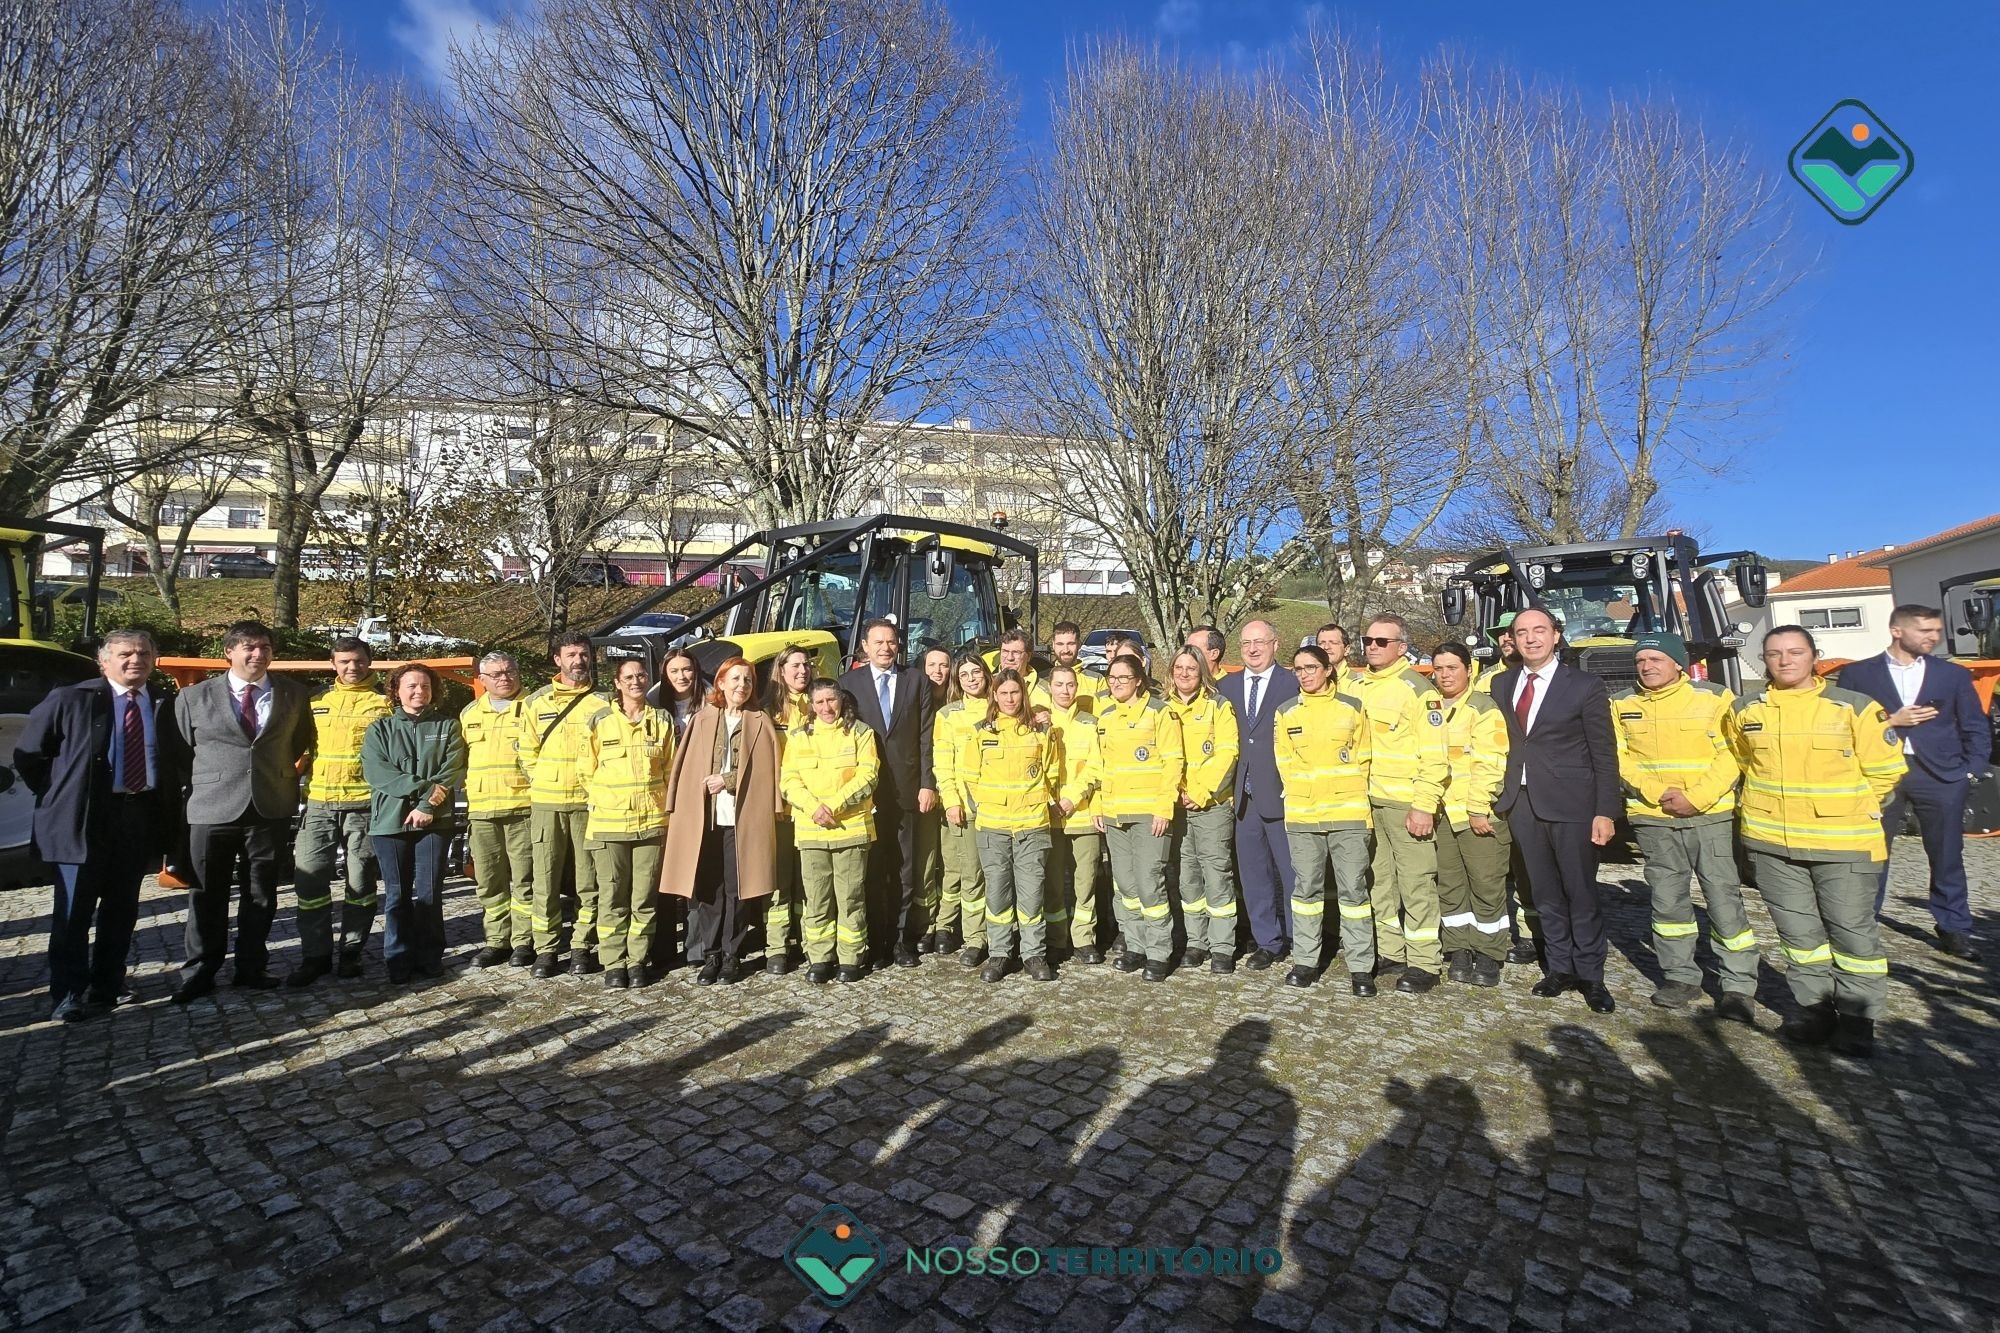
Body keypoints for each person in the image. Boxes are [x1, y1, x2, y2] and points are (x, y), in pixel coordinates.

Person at [1726, 627, 1905, 1057]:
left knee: (1852, 934)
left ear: (1814, 656)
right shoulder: (1745, 709)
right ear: (1763, 660)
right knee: (1798, 935)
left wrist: (1848, 810)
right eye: (1774, 654)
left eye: (1795, 652)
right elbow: (1741, 760)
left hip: (1843, 843)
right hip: (1771, 842)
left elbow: (1885, 772)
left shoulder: (1854, 707)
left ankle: (1858, 1020)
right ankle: (1815, 1010)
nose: (1785, 660)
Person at [14, 629, 183, 1021]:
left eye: (143, 653)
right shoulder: (71, 699)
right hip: (83, 817)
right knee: (74, 911)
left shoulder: (164, 703)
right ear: (103, 661)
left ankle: (108, 985)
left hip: (137, 816)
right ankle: (68, 993)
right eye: (125, 654)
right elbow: (29, 755)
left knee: (121, 910)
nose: (135, 660)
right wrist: (61, 793)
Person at [1610, 632, 1756, 1018]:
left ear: (1678, 663)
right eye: (1641, 660)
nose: (1647, 667)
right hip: (1654, 818)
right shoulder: (1622, 703)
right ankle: (1680, 977)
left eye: (1656, 659)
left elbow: (1734, 753)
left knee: (1723, 900)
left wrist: (1697, 797)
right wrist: (1657, 792)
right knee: (1667, 900)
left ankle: (1738, 986)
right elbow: (1619, 757)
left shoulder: (1715, 698)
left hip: (1709, 816)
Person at [1838, 604, 1991, 960]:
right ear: (1897, 631)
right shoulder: (1858, 674)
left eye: (1936, 631)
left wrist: (1971, 769)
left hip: (1941, 775)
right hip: (1880, 773)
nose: (1933, 637)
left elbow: (1975, 724)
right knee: (1872, 853)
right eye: (1925, 631)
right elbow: (1841, 726)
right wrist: (1891, 721)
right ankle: (1862, 924)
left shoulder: (1952, 675)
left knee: (1947, 854)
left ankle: (1953, 926)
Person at [171, 620, 313, 1004]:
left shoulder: (294, 694)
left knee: (261, 892)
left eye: (264, 647)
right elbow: (181, 752)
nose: (258, 654)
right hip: (211, 806)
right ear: (229, 652)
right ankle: (199, 971)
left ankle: (251, 966)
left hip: (269, 804)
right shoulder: (193, 697)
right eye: (249, 647)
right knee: (206, 893)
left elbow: (298, 741)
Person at [1490, 608, 1621, 1014]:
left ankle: (1591, 975)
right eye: (1522, 632)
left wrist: (1605, 811)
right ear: (1512, 640)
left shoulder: (1584, 685)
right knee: (1543, 891)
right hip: (1522, 803)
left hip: (1572, 802)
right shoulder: (1501, 684)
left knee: (1580, 891)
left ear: (1556, 635)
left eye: (1539, 631)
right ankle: (1559, 967)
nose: (1531, 639)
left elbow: (1603, 752)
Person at [661, 658, 782, 984]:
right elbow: (685, 768)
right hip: (706, 818)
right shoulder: (702, 719)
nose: (742, 685)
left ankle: (732, 955)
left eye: (748, 680)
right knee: (709, 888)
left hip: (743, 819)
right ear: (722, 683)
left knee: (738, 888)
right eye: (735, 679)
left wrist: (726, 780)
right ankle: (711, 953)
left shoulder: (760, 721)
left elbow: (765, 774)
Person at [1350, 614, 1450, 995]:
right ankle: (1391, 951)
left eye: (1382, 641)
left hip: (1406, 804)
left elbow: (1436, 757)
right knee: (1379, 883)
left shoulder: (1419, 691)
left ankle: (1424, 961)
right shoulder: (1359, 686)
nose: (1372, 647)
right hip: (1368, 803)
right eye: (1368, 640)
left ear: (1402, 647)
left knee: (1416, 883)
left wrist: (1424, 805)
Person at [1271, 645, 1374, 995]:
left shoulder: (1352, 707)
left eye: (1311, 667)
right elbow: (1284, 762)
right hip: (1303, 816)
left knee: (1353, 891)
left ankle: (1361, 967)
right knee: (1306, 891)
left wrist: (1351, 796)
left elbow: (1364, 759)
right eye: (1298, 669)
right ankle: (1305, 961)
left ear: (1328, 670)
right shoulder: (1286, 712)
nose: (1304, 674)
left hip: (1348, 815)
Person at [287, 637, 391, 986]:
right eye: (344, 661)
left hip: (365, 805)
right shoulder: (316, 700)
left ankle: (351, 952)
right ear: (333, 664)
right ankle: (315, 956)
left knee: (360, 883)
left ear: (369, 661)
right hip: (319, 804)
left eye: (358, 660)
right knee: (309, 879)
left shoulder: (385, 701)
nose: (352, 667)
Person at [839, 618, 937, 968]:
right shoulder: (848, 684)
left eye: (891, 642)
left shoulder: (916, 680)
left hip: (907, 789)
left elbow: (926, 737)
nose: (885, 648)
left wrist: (927, 783)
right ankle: (874, 940)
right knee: (870, 868)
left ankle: (900, 940)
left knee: (905, 868)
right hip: (863, 793)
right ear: (865, 647)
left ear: (899, 645)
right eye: (878, 642)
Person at [360, 663, 466, 984]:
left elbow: (452, 768)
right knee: (397, 895)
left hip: (435, 822)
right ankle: (398, 958)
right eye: (411, 686)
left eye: (425, 686)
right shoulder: (379, 730)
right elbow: (377, 772)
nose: (419, 691)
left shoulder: (448, 726)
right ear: (396, 690)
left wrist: (426, 806)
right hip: (389, 822)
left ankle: (430, 956)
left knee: (430, 893)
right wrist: (423, 790)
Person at [959, 669, 1059, 982]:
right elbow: (969, 777)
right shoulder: (981, 732)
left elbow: (1051, 772)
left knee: (1031, 894)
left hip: (1032, 825)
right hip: (993, 827)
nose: (1010, 699)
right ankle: (1000, 953)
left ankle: (1033, 954)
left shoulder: (1040, 731)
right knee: (998, 894)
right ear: (994, 696)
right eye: (1003, 693)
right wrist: (986, 807)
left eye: (1015, 692)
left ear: (1023, 695)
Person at [779, 678, 880, 983]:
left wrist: (833, 806)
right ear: (811, 705)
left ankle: (851, 957)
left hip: (850, 829)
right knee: (817, 899)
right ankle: (820, 958)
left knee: (850, 898)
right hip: (811, 831)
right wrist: (814, 808)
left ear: (841, 701)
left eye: (831, 700)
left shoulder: (861, 733)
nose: (826, 707)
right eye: (820, 702)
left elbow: (868, 776)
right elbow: (789, 781)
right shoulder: (799, 737)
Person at [582, 657, 674, 989]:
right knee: (612, 896)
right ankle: (613, 962)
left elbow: (670, 769)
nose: (636, 681)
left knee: (644, 898)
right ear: (617, 683)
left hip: (651, 822)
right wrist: (606, 800)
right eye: (629, 677)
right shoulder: (601, 721)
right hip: (609, 824)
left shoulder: (661, 720)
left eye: (641, 675)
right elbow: (586, 770)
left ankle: (636, 961)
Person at [1094, 653, 1185, 981]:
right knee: (1126, 886)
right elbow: (1099, 767)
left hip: (1149, 814)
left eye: (1123, 677)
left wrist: (1163, 807)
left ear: (1138, 681)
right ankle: (1135, 946)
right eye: (1112, 678)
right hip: (1115, 813)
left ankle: (1159, 952)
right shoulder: (1105, 716)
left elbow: (1173, 762)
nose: (1116, 683)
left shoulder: (1160, 713)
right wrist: (1097, 805)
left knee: (1149, 884)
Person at [522, 632, 606, 978]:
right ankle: (546, 949)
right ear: (557, 659)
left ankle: (582, 945)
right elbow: (526, 751)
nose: (578, 661)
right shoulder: (537, 702)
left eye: (583, 654)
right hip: (547, 803)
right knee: (545, 879)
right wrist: (543, 780)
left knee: (589, 880)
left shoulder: (604, 702)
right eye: (571, 655)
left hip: (588, 804)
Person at [1429, 643, 1511, 989]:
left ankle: (1489, 951)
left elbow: (1490, 762)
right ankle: (1459, 948)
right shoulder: (1430, 706)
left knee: (1486, 884)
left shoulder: (1482, 708)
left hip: (1475, 812)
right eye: (1439, 669)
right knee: (1450, 886)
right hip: (1442, 813)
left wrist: (1479, 809)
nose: (1445, 675)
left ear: (1468, 669)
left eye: (1452, 668)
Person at [1218, 619, 1298, 969]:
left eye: (1260, 642)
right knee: (1254, 875)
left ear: (1275, 645)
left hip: (1282, 793)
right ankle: (1268, 941)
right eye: (1246, 643)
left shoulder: (1293, 683)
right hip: (1243, 797)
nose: (1252, 649)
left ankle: (1300, 939)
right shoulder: (1226, 687)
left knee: (1293, 874)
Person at [459, 651, 537, 968]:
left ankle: (524, 942)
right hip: (482, 811)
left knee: (525, 880)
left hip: (523, 808)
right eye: (496, 674)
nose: (504, 678)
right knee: (489, 881)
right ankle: (496, 941)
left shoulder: (534, 707)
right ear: (482, 679)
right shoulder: (469, 713)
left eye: (510, 671)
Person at [1165, 646, 1240, 973]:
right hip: (1177, 806)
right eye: (1179, 668)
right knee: (1187, 876)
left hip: (1212, 805)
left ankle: (1222, 946)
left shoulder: (1218, 706)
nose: (1184, 673)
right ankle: (1196, 942)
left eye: (1191, 668)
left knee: (1216, 873)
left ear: (1202, 673)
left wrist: (1201, 792)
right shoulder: (1162, 707)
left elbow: (1228, 754)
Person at [933, 652, 992, 962]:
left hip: (997, 806)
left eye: (976, 672)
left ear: (986, 675)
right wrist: (951, 801)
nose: (971, 679)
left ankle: (996, 933)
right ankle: (974, 938)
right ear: (957, 680)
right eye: (964, 674)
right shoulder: (948, 715)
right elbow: (943, 763)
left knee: (994, 874)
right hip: (964, 807)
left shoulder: (1000, 708)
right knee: (969, 874)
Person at [761, 646, 815, 975]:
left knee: (809, 881)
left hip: (812, 808)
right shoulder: (767, 709)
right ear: (781, 671)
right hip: (780, 807)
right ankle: (777, 946)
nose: (802, 671)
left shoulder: (820, 703)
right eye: (794, 665)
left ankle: (809, 940)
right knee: (780, 880)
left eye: (806, 665)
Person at [1045, 663, 1105, 962]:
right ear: (1049, 688)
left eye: (1070, 685)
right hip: (1048, 816)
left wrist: (1072, 798)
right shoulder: (1039, 723)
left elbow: (1096, 767)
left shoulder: (1090, 723)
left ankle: (1084, 939)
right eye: (1059, 685)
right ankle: (1055, 939)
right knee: (1053, 882)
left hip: (1082, 813)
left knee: (1085, 881)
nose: (1065, 691)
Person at [1039, 621, 1104, 711]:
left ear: (1079, 644)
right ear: (1053, 645)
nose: (1066, 650)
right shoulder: (1041, 679)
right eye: (1060, 644)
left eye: (1071, 644)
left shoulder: (1097, 681)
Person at [658, 649, 706, 739]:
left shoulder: (712, 704)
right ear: (665, 675)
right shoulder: (654, 704)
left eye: (687, 670)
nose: (681, 677)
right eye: (674, 671)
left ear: (696, 671)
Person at [996, 628, 1041, 697]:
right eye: (1005, 651)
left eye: (1016, 652)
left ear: (1028, 656)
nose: (1010, 658)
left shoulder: (1046, 689)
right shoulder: (987, 685)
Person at [1315, 624, 1350, 690]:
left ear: (1346, 650)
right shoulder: (1308, 681)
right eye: (1321, 643)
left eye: (1333, 643)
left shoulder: (1359, 683)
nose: (1326, 647)